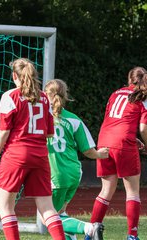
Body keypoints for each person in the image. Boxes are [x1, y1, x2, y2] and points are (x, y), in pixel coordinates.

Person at [0, 58, 65, 240]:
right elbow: (48, 133)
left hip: (15, 155)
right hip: (40, 156)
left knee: (6, 207)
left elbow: (3, 132)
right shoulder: (44, 98)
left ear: (14, 75)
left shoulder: (10, 96)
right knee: (47, 208)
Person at [44, 79, 109, 240]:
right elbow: (87, 150)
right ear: (65, 95)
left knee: (49, 218)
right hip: (74, 172)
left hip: (55, 174)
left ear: (46, 95)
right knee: (60, 213)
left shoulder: (41, 118)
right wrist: (100, 154)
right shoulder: (74, 119)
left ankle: (89, 228)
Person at [88, 67, 147, 240]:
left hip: (105, 140)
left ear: (129, 80)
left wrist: (126, 137)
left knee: (106, 190)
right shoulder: (143, 96)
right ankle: (132, 235)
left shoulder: (115, 93)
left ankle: (90, 232)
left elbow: (114, 120)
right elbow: (143, 128)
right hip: (123, 144)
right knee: (133, 192)